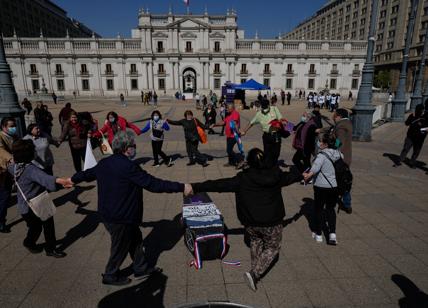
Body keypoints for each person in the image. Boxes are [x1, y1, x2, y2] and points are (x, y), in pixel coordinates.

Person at [68, 131, 191, 285]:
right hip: (121, 216)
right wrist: (181, 187)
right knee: (120, 247)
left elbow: (88, 174)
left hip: (110, 213)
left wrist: (72, 179)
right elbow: (153, 184)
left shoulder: (105, 163)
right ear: (126, 148)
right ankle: (110, 275)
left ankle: (141, 267)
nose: (135, 148)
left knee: (136, 239)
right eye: (133, 145)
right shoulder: (129, 167)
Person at [189, 148, 302, 291]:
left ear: (249, 163)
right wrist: (301, 174)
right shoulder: (276, 175)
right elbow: (291, 177)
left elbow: (219, 184)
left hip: (250, 222)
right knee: (273, 247)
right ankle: (254, 273)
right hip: (271, 222)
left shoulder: (242, 178)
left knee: (255, 240)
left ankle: (255, 268)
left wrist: (195, 186)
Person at [9, 139, 69, 257]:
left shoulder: (15, 167)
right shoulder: (30, 169)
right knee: (48, 225)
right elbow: (46, 179)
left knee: (34, 227)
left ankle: (29, 242)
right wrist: (64, 181)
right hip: (37, 202)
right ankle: (50, 249)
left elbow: (10, 165)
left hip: (24, 206)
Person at [303, 134, 342, 245]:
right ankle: (332, 234)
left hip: (321, 186)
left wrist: (307, 176)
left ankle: (319, 234)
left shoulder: (321, 155)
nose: (318, 143)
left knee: (319, 209)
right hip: (334, 187)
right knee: (330, 209)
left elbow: (314, 169)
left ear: (325, 143)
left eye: (320, 141)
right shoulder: (339, 154)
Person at [319, 108, 353, 213]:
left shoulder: (341, 127)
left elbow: (339, 142)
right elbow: (332, 129)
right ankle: (346, 204)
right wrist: (321, 130)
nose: (333, 117)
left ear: (339, 116)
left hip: (340, 159)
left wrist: (332, 152)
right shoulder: (345, 123)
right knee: (343, 181)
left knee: (340, 182)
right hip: (345, 158)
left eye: (334, 115)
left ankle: (339, 203)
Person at [241, 99, 285, 168]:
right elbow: (251, 123)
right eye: (263, 106)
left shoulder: (274, 109)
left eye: (265, 106)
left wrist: (288, 127)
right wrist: (244, 131)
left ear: (268, 105)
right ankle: (268, 168)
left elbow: (281, 119)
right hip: (266, 136)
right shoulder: (259, 114)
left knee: (276, 153)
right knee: (267, 154)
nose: (264, 108)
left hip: (276, 135)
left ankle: (273, 165)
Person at [0, 117, 18, 233]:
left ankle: (2, 220)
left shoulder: (14, 137)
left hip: (8, 172)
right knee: (4, 196)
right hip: (1, 172)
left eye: (14, 125)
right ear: (4, 127)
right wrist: (12, 159)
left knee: (5, 197)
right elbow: (1, 150)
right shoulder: (0, 136)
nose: (13, 128)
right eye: (11, 126)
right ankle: (1, 222)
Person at [211, 102, 243, 168]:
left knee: (229, 150)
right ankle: (231, 162)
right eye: (226, 108)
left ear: (232, 108)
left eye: (228, 108)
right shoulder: (228, 115)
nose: (226, 109)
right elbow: (223, 122)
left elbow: (235, 124)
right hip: (229, 136)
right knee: (229, 150)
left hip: (234, 135)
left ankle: (240, 161)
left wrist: (238, 132)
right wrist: (214, 124)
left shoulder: (235, 114)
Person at [397, 104, 427, 168]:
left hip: (420, 138)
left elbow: (426, 128)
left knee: (416, 151)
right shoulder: (412, 116)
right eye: (422, 110)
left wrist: (422, 128)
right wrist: (411, 118)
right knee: (406, 148)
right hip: (410, 136)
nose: (423, 111)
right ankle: (400, 160)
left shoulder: (425, 117)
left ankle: (412, 162)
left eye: (423, 110)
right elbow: (406, 123)